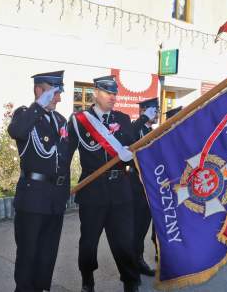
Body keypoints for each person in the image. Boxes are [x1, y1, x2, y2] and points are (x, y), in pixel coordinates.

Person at [68, 75, 140, 292]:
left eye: (115, 93)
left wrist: (134, 161)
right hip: (93, 189)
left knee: (125, 241)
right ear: (95, 93)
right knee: (89, 242)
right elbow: (65, 154)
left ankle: (130, 281)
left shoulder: (124, 119)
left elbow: (136, 151)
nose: (113, 97)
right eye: (108, 93)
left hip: (120, 190)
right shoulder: (79, 120)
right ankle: (87, 280)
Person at [8, 71, 70, 292]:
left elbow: (64, 161)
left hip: (55, 198)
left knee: (48, 252)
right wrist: (37, 106)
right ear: (39, 91)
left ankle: (43, 287)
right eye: (54, 93)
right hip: (33, 198)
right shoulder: (25, 115)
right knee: (28, 252)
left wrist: (64, 195)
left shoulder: (61, 120)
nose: (59, 98)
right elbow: (16, 131)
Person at [129, 98, 158, 277]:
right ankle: (131, 264)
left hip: (149, 185)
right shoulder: (136, 127)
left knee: (142, 226)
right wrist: (141, 118)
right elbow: (128, 138)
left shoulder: (151, 130)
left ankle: (138, 260)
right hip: (135, 184)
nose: (156, 114)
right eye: (154, 110)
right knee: (134, 227)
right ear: (144, 111)